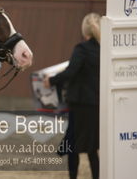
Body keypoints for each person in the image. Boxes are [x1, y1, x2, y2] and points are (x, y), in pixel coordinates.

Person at [44, 12, 101, 179]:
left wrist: (52, 81)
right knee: (92, 147)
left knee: (72, 145)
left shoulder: (82, 49)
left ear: (85, 30)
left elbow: (70, 72)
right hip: (97, 103)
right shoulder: (105, 49)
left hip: (80, 103)